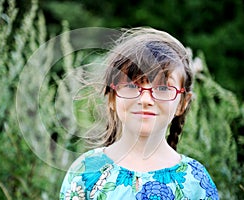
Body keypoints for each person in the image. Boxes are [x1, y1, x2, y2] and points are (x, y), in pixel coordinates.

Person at [59, 27, 219, 200]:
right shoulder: (86, 171)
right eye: (132, 85)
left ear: (182, 103)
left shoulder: (195, 181)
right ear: (112, 97)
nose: (145, 99)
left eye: (163, 87)